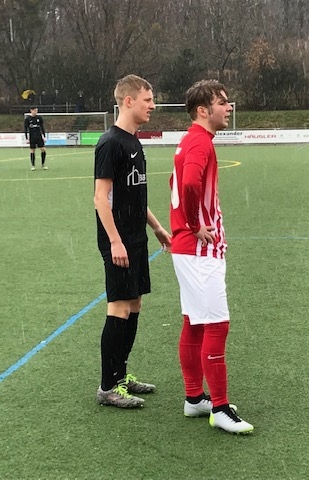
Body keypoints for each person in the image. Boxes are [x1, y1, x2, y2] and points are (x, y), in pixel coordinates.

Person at [169, 79, 254, 434]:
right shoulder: (200, 141)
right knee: (217, 325)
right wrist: (194, 224)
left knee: (195, 322)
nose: (228, 107)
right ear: (203, 110)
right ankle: (219, 408)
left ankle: (194, 398)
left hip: (189, 249)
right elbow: (189, 183)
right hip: (198, 249)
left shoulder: (192, 139)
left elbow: (180, 183)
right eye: (222, 102)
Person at [94, 74, 172, 408]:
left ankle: (121, 375)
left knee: (135, 304)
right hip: (119, 240)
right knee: (119, 307)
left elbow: (135, 196)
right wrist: (115, 241)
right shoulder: (110, 143)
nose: (152, 106)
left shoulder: (134, 143)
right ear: (129, 101)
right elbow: (101, 198)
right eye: (147, 100)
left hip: (136, 238)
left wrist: (156, 227)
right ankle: (107, 387)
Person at [24, 106, 47, 170]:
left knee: (43, 149)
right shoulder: (27, 119)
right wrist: (26, 138)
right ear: (31, 110)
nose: (36, 112)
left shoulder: (39, 118)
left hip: (39, 136)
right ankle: (33, 165)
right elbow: (25, 129)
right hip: (32, 137)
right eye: (35, 110)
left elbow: (42, 127)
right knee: (32, 150)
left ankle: (43, 165)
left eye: (37, 110)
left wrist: (44, 136)